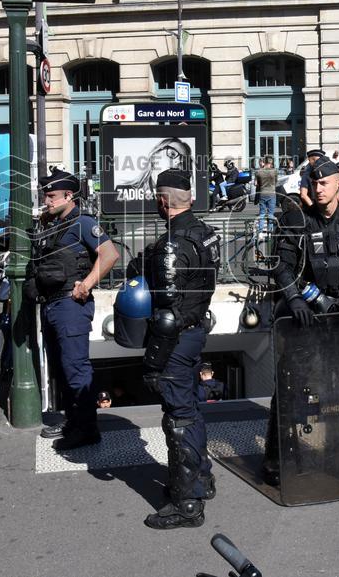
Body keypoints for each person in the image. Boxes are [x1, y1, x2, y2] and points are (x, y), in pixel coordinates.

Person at [261, 158, 339, 486]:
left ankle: (336, 457)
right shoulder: (295, 220)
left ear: (338, 186)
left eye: (324, 183)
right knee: (288, 390)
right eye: (313, 184)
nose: (317, 189)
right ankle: (278, 458)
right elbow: (281, 267)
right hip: (306, 321)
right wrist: (295, 299)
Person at [126, 168, 219, 529]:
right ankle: (201, 479)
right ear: (190, 198)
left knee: (179, 420)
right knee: (192, 409)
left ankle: (187, 503)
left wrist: (153, 362)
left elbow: (167, 311)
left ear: (163, 201)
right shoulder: (205, 233)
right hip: (197, 329)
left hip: (176, 339)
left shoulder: (173, 244)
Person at [30, 170, 119, 449]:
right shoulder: (52, 223)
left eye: (52, 196)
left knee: (75, 368)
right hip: (52, 304)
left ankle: (87, 429)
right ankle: (73, 421)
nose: (47, 200)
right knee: (60, 368)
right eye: (45, 195)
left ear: (69, 196)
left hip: (70, 305)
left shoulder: (83, 222)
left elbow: (110, 254)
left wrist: (88, 284)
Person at [254, 156, 278, 232]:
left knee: (262, 213)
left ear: (264, 162)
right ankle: (270, 231)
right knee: (271, 214)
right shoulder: (274, 171)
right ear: (271, 163)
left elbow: (256, 184)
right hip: (271, 193)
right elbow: (276, 182)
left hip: (262, 193)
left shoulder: (258, 172)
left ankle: (260, 231)